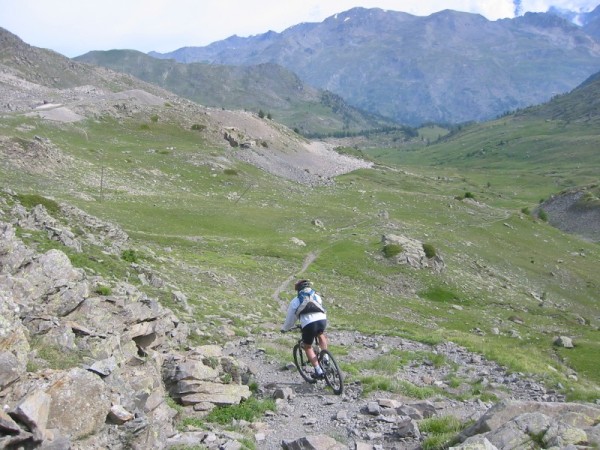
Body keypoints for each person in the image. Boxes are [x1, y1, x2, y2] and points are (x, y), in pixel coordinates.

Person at [281, 279, 329, 379]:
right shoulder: (316, 296)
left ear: (298, 289)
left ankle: (318, 371)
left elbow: (290, 318)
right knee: (321, 334)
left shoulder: (296, 300)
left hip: (308, 324)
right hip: (322, 320)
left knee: (307, 346)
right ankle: (326, 358)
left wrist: (285, 328)